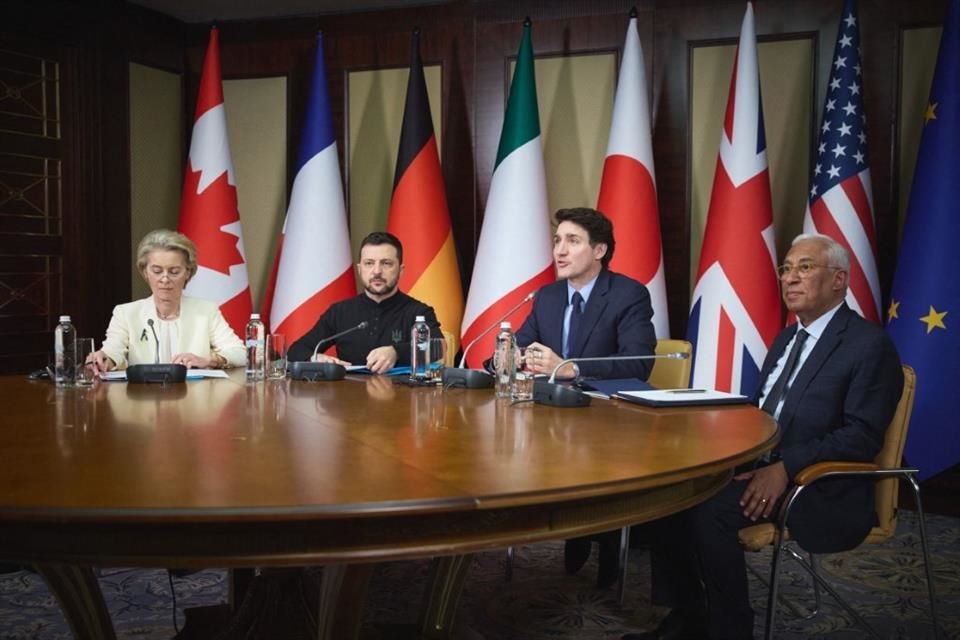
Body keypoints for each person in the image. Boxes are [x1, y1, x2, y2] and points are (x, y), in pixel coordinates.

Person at [626, 233, 903, 640]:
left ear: (839, 279)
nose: (791, 278)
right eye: (786, 269)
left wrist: (785, 468)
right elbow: (763, 414)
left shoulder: (868, 345)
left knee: (709, 512)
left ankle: (731, 629)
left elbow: (861, 436)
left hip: (819, 486)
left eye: (805, 267)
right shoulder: (787, 338)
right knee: (670, 495)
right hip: (758, 465)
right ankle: (689, 617)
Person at [517, 207, 657, 589]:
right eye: (558, 240)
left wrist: (572, 369)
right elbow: (519, 343)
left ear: (599, 250)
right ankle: (566, 531)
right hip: (550, 415)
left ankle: (607, 544)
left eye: (572, 241)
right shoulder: (546, 296)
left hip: (606, 419)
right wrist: (510, 355)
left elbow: (638, 361)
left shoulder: (628, 294)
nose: (560, 250)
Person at [87, 229, 245, 373]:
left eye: (174, 272)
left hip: (195, 398)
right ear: (145, 272)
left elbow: (240, 352)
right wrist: (104, 358)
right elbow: (113, 350)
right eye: (157, 271)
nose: (164, 279)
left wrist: (210, 360)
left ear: (188, 273)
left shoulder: (205, 311)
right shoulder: (126, 313)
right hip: (142, 400)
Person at [288, 231, 441, 373]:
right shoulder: (340, 312)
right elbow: (296, 350)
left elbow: (437, 347)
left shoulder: (418, 312)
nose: (376, 271)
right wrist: (317, 358)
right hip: (348, 397)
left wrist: (396, 352)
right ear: (360, 269)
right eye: (369, 263)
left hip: (403, 396)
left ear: (401, 270)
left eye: (386, 263)